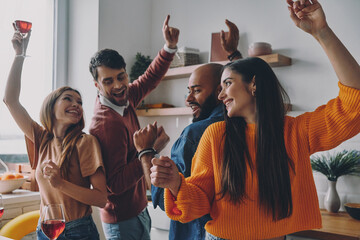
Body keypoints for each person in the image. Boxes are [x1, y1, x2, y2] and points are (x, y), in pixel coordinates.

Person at [150, 0, 360, 239]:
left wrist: (322, 32)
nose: (220, 95)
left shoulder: (296, 132)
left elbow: (355, 104)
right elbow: (199, 202)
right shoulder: (215, 135)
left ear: (254, 84)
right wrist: (175, 183)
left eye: (227, 84)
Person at [133, 20, 242, 240]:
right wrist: (234, 55)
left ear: (220, 91)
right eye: (188, 91)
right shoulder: (244, 122)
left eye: (197, 90)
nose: (188, 98)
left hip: (197, 232)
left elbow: (165, 197)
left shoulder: (195, 134)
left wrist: (145, 152)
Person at [3, 28, 107, 239]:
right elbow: (10, 100)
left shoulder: (84, 142)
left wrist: (61, 183)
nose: (76, 104)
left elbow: (101, 198)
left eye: (80, 102)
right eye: (68, 99)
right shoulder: (41, 138)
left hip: (77, 231)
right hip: (45, 229)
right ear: (51, 107)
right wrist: (19, 54)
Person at [88, 15, 179, 240]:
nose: (118, 85)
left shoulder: (125, 98)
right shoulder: (106, 124)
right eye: (108, 81)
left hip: (138, 210)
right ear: (97, 85)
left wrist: (169, 48)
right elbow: (114, 185)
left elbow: (149, 79)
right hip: (121, 219)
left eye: (121, 76)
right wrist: (149, 150)